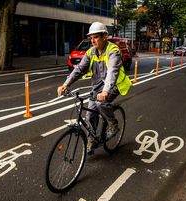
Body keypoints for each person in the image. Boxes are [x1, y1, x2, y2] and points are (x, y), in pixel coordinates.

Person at [57, 22, 132, 153]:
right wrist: (66, 84)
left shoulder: (113, 51)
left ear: (105, 37)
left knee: (100, 103)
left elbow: (112, 72)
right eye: (90, 37)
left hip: (114, 84)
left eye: (95, 37)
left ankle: (112, 123)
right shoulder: (91, 52)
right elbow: (79, 69)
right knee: (89, 114)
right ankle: (91, 140)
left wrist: (105, 91)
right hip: (98, 87)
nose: (92, 40)